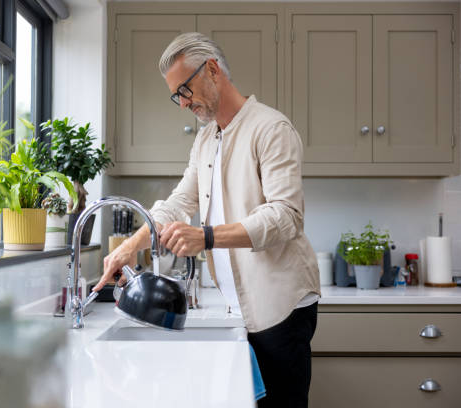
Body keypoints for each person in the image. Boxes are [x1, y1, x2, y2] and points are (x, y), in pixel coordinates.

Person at [92, 32, 321, 408]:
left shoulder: (270, 129)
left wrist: (207, 236)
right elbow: (182, 200)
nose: (182, 104)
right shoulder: (206, 139)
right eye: (176, 95)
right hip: (243, 309)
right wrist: (130, 247)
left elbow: (286, 216)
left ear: (212, 70)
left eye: (185, 89)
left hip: (281, 308)